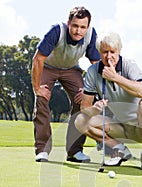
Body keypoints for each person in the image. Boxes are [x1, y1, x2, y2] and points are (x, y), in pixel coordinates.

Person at [74, 31, 142, 170]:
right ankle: (119, 149)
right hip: (120, 126)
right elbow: (84, 107)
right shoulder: (92, 71)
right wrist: (95, 109)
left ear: (119, 51)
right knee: (80, 120)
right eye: (104, 52)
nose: (109, 56)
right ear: (99, 52)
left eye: (112, 52)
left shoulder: (129, 65)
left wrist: (115, 78)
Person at [31, 6, 100, 162]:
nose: (78, 31)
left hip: (71, 69)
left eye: (83, 27)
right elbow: (38, 59)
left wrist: (89, 91)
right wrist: (37, 88)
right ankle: (42, 150)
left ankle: (74, 151)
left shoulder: (91, 35)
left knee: (83, 101)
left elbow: (96, 65)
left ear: (87, 27)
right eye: (75, 26)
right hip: (47, 66)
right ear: (69, 23)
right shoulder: (56, 31)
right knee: (42, 99)